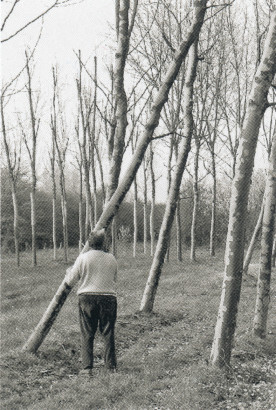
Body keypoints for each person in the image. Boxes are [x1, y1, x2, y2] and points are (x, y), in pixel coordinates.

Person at [64, 229, 118, 377]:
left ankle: (87, 369)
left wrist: (69, 271)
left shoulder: (83, 258)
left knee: (87, 333)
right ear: (104, 243)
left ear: (89, 243)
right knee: (108, 332)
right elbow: (114, 279)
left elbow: (70, 281)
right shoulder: (112, 258)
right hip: (108, 298)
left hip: (86, 298)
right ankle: (111, 367)